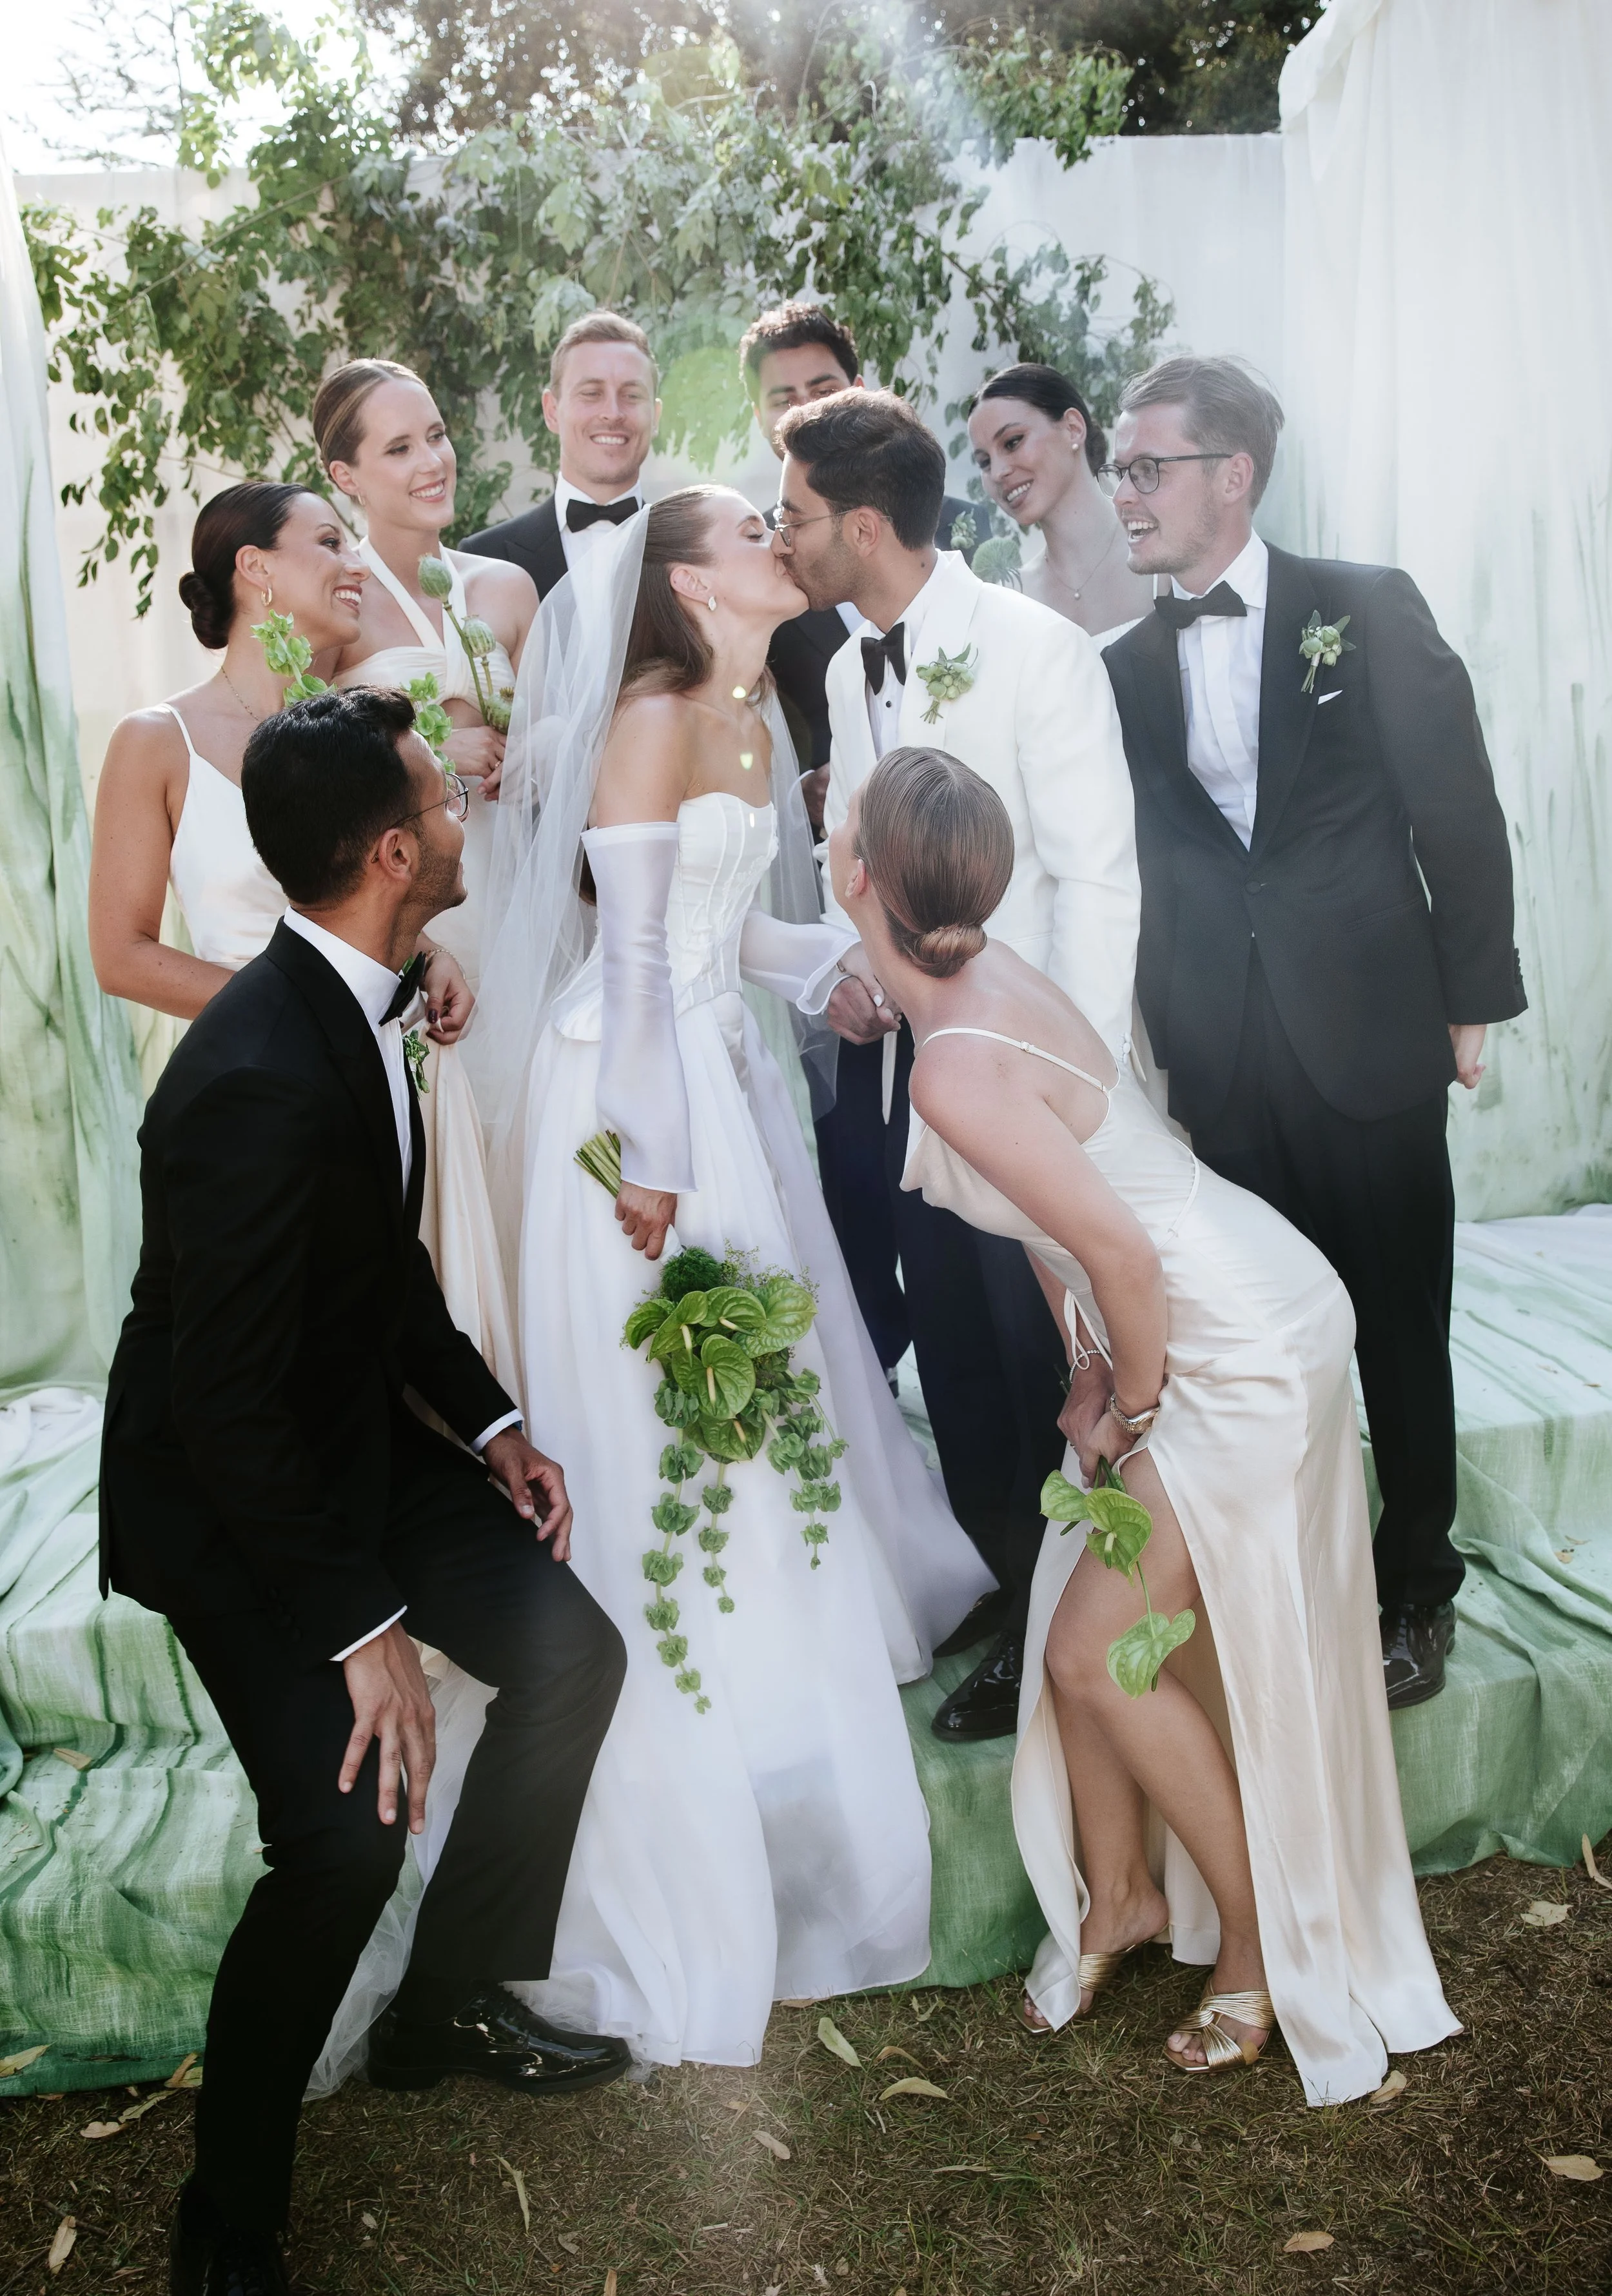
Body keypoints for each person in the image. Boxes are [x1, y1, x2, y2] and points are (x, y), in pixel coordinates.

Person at [449, 490, 992, 2070]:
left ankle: (764, 1706)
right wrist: (652, 1156)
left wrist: (827, 968)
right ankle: (672, 1725)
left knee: (756, 1412)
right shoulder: (648, 717)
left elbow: (725, 927)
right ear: (690, 584)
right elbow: (628, 962)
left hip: (706, 1075)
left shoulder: (753, 709)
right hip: (632, 1100)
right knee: (666, 1420)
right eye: (753, 532)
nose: (779, 540)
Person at [831, 744, 1460, 2102]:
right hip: (1206, 1303)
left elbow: (1115, 1246)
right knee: (1082, 1616)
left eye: (841, 825)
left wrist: (1131, 1399)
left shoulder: (953, 1058)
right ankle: (1117, 1896)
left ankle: (1258, 1948)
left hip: (1231, 1340)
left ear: (861, 875)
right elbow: (1052, 1220)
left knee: (1094, 1652)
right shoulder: (983, 981)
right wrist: (1084, 1369)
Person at [99, 686, 629, 2296]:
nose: (466, 819)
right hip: (230, 1494)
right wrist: (359, 1625)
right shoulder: (252, 1072)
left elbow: (379, 1266)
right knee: (341, 1841)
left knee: (570, 1651)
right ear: (395, 853)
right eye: (442, 804)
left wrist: (493, 1423)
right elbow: (223, 1407)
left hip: (352, 1443)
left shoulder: (360, 1000)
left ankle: (443, 2001)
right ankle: (228, 2220)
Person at [1102, 356, 1527, 1708]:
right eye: (1118, 470)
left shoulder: (1363, 606)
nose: (1124, 493)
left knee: (1396, 1326)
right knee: (1259, 1338)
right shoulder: (1117, 668)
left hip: (1368, 1032)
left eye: (1147, 467)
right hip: (1218, 1054)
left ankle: (1416, 1590)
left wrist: (1470, 996)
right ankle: (1283, 1580)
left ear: (1232, 475)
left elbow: (1455, 807)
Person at [776, 386, 1139, 1742]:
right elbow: (864, 874)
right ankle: (1011, 1591)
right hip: (911, 1085)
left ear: (863, 526)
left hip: (1027, 1089)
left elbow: (1097, 879)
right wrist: (857, 975)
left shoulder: (1037, 650)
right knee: (961, 1356)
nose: (781, 536)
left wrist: (1072, 1091)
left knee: (1046, 1353)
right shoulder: (838, 670)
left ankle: (1084, 1618)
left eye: (795, 515)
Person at [89, 480, 517, 1392]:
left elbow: (379, 881)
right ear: (255, 567)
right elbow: (120, 954)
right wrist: (304, 1018)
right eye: (328, 542)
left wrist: (429, 954)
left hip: (407, 1069)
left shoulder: (363, 728)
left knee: (437, 1315)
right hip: (270, 1092)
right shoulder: (156, 740)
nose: (355, 561)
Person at [319, 359, 536, 983]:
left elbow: (560, 731)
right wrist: (433, 749)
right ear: (345, 476)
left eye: (436, 436)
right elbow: (308, 771)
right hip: (406, 907)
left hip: (518, 888)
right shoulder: (338, 601)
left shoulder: (508, 586)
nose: (433, 462)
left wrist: (532, 755)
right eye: (399, 448)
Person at [741, 299, 981, 827]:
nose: (806, 410)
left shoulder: (1033, 645)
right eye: (784, 399)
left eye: (823, 392)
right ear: (760, 415)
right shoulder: (844, 667)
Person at [462, 311, 660, 599]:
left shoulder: (695, 552)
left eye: (632, 395)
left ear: (656, 416)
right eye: (591, 393)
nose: (612, 413)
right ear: (552, 411)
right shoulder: (484, 558)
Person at [966, 362, 1155, 644]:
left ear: (1073, 429)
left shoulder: (1161, 553)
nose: (997, 473)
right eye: (984, 462)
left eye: (1012, 442)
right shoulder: (1012, 599)